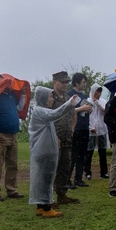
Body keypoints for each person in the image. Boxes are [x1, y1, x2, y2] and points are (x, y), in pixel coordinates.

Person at [28, 86, 81, 218]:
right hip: (44, 152)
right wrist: (69, 104)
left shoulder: (41, 111)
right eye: (50, 97)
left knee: (42, 179)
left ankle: (41, 206)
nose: (52, 99)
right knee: (45, 180)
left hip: (43, 151)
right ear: (44, 98)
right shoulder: (40, 111)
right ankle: (46, 208)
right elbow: (55, 114)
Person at [0, 83, 24, 203]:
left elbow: (20, 108)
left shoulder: (12, 95)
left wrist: (23, 94)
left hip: (13, 133)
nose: (11, 85)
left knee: (12, 163)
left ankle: (11, 190)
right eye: (8, 83)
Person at [51, 71, 78, 204]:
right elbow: (46, 119)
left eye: (67, 82)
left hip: (67, 139)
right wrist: (54, 136)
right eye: (62, 82)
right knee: (52, 169)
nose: (65, 85)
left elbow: (74, 115)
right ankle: (48, 198)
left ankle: (62, 195)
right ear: (54, 83)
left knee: (65, 168)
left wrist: (72, 129)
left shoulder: (68, 99)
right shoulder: (49, 99)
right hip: (53, 140)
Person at [70, 72, 92, 188]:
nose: (84, 84)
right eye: (83, 82)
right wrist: (81, 108)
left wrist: (88, 110)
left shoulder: (84, 96)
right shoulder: (70, 95)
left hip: (84, 128)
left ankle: (78, 179)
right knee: (73, 155)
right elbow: (68, 110)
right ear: (76, 82)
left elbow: (84, 109)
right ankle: (67, 180)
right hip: (75, 129)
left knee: (82, 155)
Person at [87, 84, 109, 179]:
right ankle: (87, 172)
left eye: (100, 92)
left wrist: (97, 103)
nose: (98, 94)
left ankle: (104, 172)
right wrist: (90, 127)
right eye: (97, 91)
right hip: (91, 130)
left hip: (102, 130)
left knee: (102, 152)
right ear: (93, 91)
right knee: (89, 152)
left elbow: (105, 111)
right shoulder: (87, 102)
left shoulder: (103, 101)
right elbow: (85, 116)